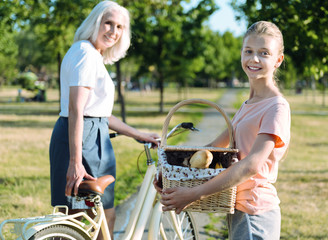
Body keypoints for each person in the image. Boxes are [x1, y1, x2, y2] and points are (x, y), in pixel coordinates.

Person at [157, 21, 291, 240]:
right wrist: (172, 171)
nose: (254, 59)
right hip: (239, 209)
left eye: (264, 53)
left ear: (278, 60)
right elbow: (213, 149)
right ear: (241, 54)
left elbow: (251, 165)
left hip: (255, 211)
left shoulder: (276, 106)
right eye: (248, 51)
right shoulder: (248, 105)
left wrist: (193, 194)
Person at [49, 1, 159, 239]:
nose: (113, 31)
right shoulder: (84, 53)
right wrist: (75, 162)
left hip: (94, 137)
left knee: (104, 217)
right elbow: (76, 109)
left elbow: (100, 113)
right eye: (108, 23)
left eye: (119, 27)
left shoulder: (92, 55)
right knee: (82, 220)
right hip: (81, 140)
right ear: (95, 22)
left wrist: (138, 134)